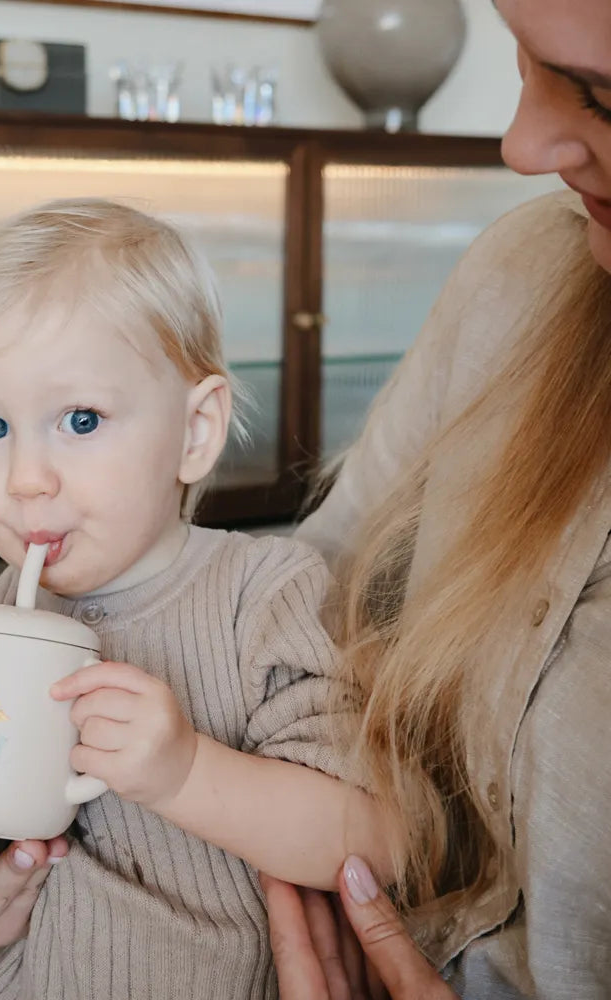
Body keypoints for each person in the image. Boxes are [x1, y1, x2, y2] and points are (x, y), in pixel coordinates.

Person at [0, 197, 393, 998]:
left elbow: (370, 838)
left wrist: (183, 772)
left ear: (195, 433)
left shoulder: (264, 595)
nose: (25, 478)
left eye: (80, 419)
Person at [263, 0, 611, 996]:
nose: (521, 142)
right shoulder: (521, 275)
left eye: (599, 94)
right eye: (522, 58)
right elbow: (310, 597)